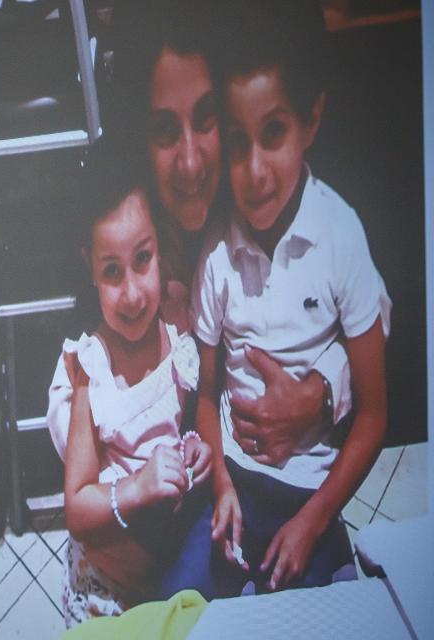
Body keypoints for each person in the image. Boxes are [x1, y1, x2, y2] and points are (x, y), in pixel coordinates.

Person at [186, 0, 390, 595]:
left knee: (324, 614)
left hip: (312, 494)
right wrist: (221, 483)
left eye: (273, 133)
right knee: (180, 605)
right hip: (236, 485)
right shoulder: (215, 256)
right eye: (237, 142)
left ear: (311, 121)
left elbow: (374, 414)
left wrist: (312, 521)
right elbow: (206, 392)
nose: (255, 171)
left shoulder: (341, 236)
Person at [46, 167, 212, 626]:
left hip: (168, 574)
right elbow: (79, 507)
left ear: (162, 249)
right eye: (112, 272)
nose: (133, 293)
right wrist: (137, 486)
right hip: (108, 597)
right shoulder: (86, 372)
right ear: (91, 271)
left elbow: (180, 423)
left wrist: (194, 450)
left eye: (143, 260)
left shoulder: (176, 327)